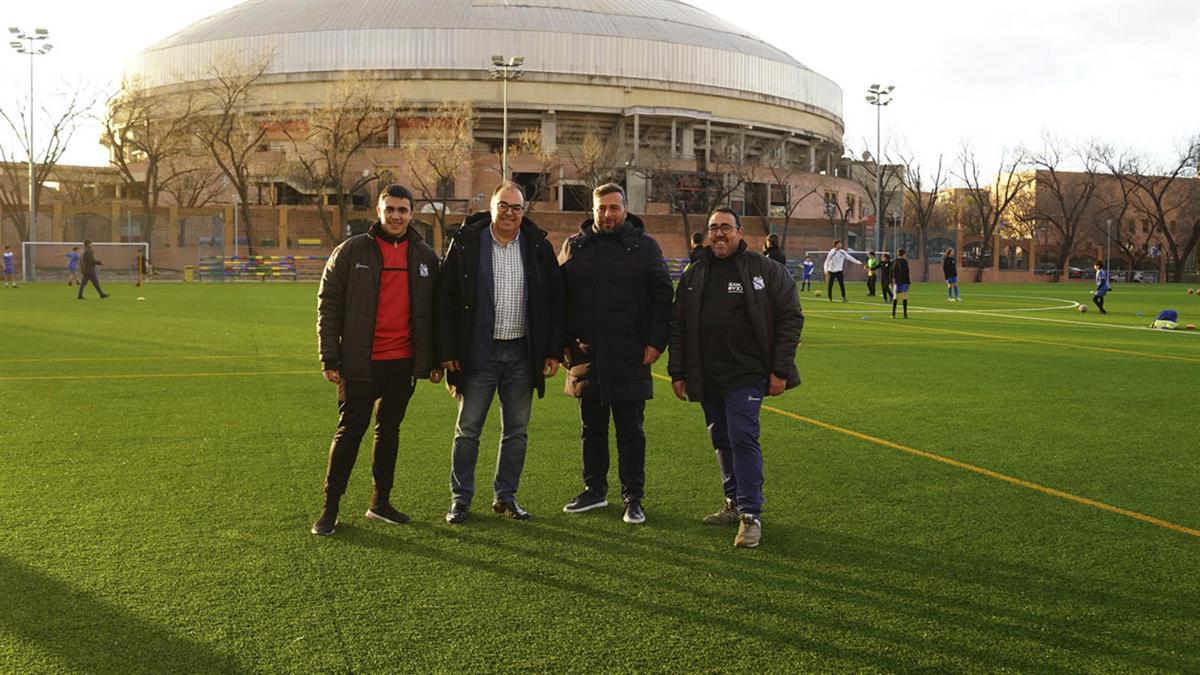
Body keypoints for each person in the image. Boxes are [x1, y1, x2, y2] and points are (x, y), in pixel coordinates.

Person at [311, 184, 442, 536]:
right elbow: (329, 305)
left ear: (412, 213)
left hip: (403, 364)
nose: (396, 216)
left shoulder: (425, 255)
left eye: (403, 210)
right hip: (359, 362)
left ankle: (380, 503)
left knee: (389, 431)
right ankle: (330, 509)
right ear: (379, 212)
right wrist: (329, 355)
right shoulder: (352, 250)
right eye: (390, 209)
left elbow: (435, 313)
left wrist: (434, 359)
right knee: (350, 432)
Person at [668, 208, 803, 549]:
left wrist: (780, 370)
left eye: (726, 228)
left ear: (741, 233)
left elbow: (791, 318)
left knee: (743, 436)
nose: (719, 234)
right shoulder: (695, 274)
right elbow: (679, 326)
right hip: (708, 374)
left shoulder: (765, 269)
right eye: (713, 228)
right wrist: (678, 371)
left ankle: (751, 515)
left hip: (749, 374)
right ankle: (733, 502)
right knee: (721, 438)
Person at [435, 182, 564, 525]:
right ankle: (460, 500)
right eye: (503, 206)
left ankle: (506, 497)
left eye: (516, 208)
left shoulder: (537, 247)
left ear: (524, 211)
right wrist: (447, 351)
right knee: (468, 430)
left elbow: (554, 301)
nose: (510, 213)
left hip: (523, 353)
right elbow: (444, 299)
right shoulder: (466, 244)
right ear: (491, 207)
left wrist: (551, 351)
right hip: (479, 353)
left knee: (517, 431)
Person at [560, 183, 673, 524]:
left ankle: (633, 497)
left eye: (613, 208)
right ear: (592, 211)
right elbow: (559, 298)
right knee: (590, 428)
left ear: (625, 209)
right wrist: (564, 345)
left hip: (630, 354)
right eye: (601, 208)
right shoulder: (575, 246)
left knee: (630, 430)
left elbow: (662, 297)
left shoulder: (645, 247)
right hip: (586, 355)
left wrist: (655, 341)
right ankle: (594, 491)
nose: (607, 214)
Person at [892, 248, 912, 319]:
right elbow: (907, 272)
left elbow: (893, 271)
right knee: (904, 296)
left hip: (897, 281)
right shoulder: (905, 261)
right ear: (903, 254)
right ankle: (905, 314)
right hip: (904, 281)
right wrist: (909, 282)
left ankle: (893, 314)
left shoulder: (895, 261)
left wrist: (893, 280)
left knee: (895, 297)